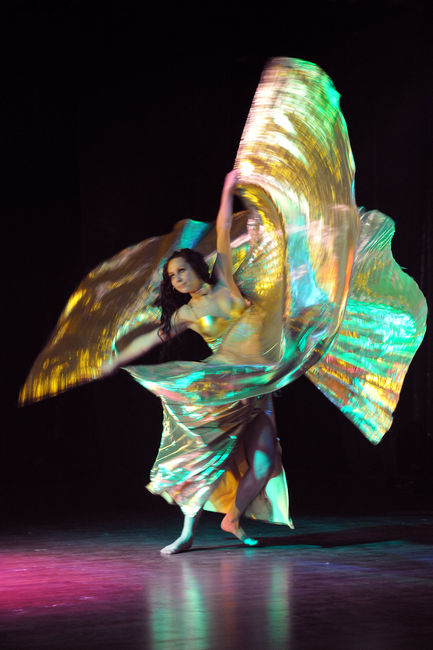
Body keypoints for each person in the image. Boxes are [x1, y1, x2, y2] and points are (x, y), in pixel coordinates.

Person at [102, 170, 290, 554]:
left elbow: (223, 228)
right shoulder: (186, 314)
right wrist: (114, 359)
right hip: (223, 387)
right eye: (171, 278)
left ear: (196, 267)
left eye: (181, 271)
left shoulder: (226, 283)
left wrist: (227, 189)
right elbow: (150, 338)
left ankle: (232, 518)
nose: (177, 280)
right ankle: (187, 533)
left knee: (264, 462)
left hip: (259, 384)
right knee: (204, 457)